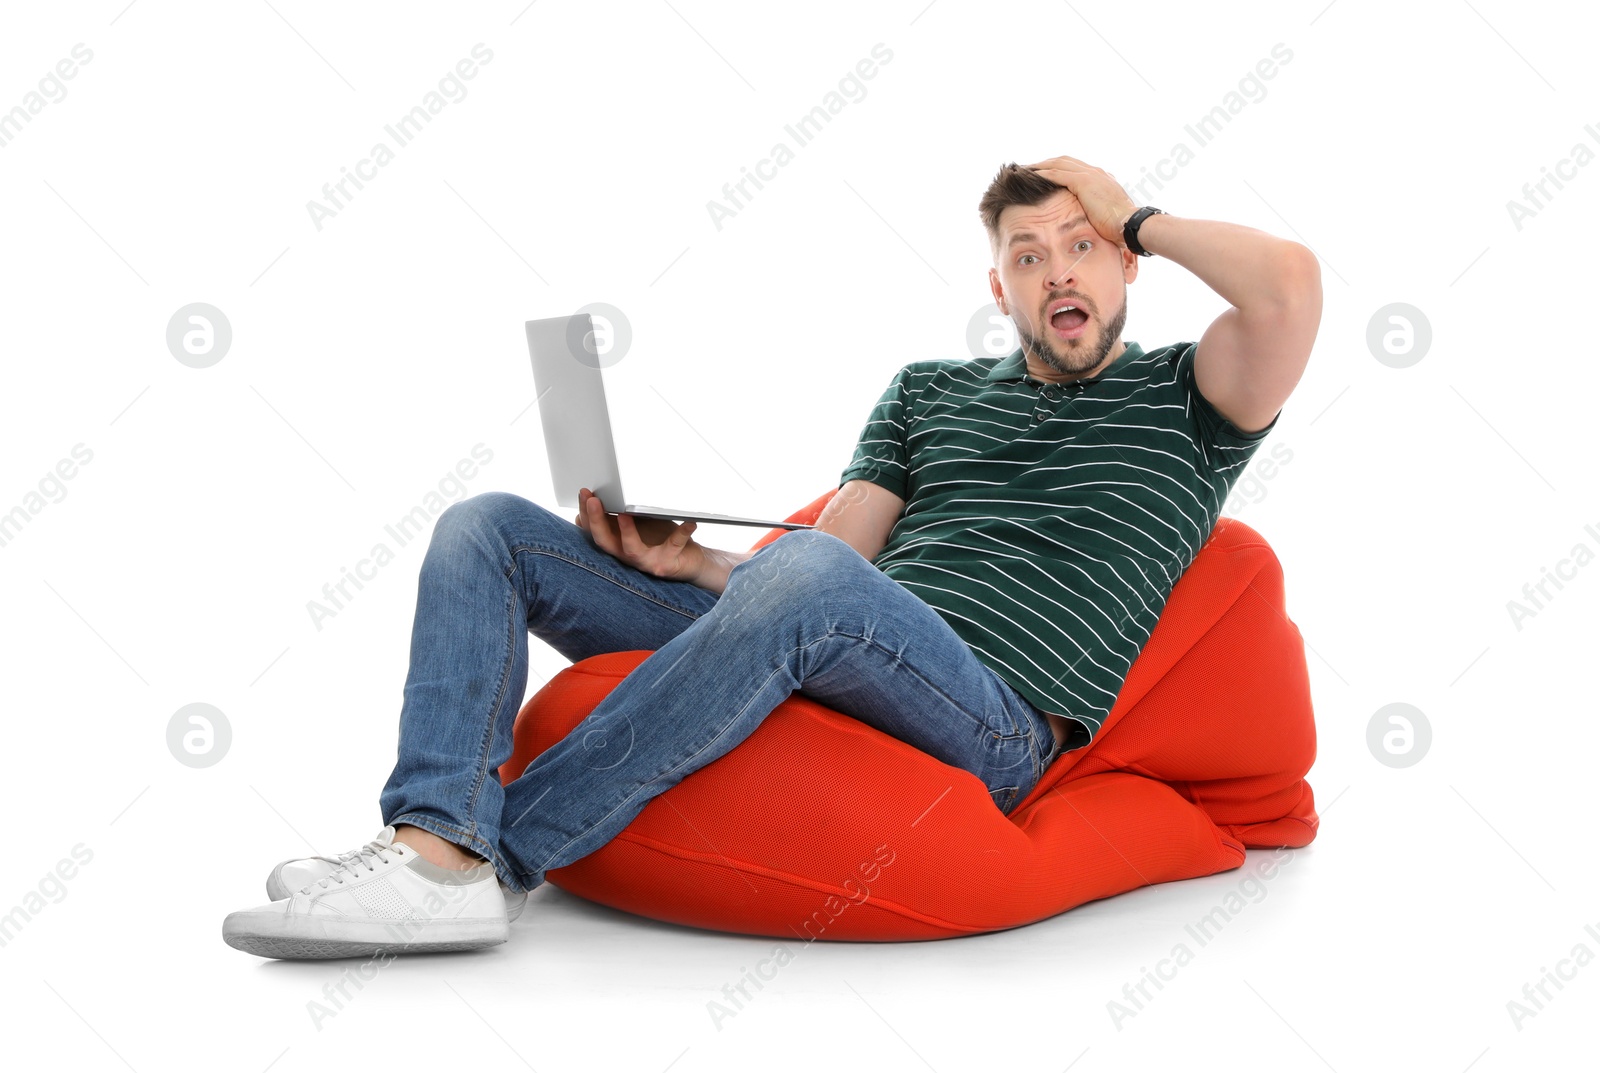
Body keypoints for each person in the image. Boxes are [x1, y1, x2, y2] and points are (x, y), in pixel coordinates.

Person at [222, 154, 1321, 960]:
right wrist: (691, 568)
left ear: (1123, 267)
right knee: (489, 527)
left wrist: (1135, 212)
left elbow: (1289, 289)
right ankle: (433, 828)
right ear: (1000, 290)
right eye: (1026, 256)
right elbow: (831, 555)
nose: (1055, 271)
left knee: (810, 587)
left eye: (1081, 247)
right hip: (841, 640)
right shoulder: (927, 392)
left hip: (989, 718)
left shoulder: (1188, 398)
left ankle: (482, 866)